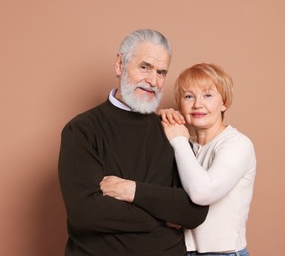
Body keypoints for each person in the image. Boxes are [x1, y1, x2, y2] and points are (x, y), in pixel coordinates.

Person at [58, 29, 208, 256]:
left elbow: (193, 211)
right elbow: (85, 212)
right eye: (144, 67)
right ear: (119, 64)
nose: (153, 81)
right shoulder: (81, 130)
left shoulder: (172, 129)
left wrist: (133, 191)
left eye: (161, 72)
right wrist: (164, 213)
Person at [102, 63, 256, 256]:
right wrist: (162, 124)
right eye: (189, 96)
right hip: (182, 251)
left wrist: (177, 139)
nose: (197, 104)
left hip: (223, 253)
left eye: (207, 95)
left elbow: (202, 193)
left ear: (224, 102)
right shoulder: (187, 144)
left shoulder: (237, 144)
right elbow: (167, 198)